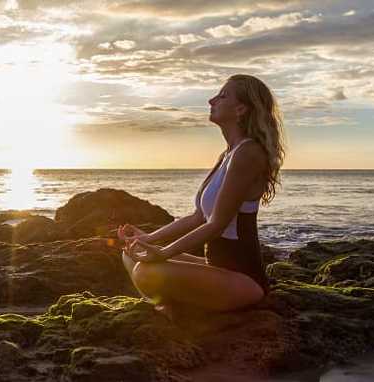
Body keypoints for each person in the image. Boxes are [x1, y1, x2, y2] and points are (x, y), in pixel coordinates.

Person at [117, 74, 285, 318]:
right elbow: (198, 217)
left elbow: (216, 224)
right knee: (130, 253)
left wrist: (163, 253)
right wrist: (150, 239)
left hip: (244, 281)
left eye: (222, 95)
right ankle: (177, 303)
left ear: (240, 109)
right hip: (216, 269)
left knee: (146, 271)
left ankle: (174, 306)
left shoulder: (248, 153)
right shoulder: (228, 154)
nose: (211, 100)